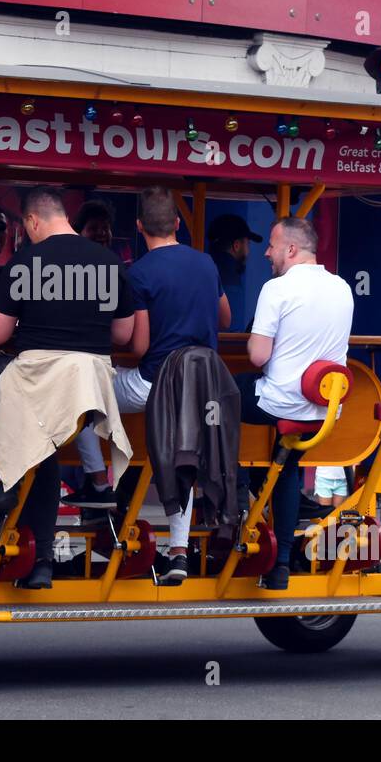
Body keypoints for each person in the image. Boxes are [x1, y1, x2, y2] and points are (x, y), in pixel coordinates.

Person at [0, 186, 134, 590]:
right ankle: (42, 561)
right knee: (44, 450)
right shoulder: (109, 261)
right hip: (87, 395)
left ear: (32, 222)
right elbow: (125, 333)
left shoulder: (25, 261)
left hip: (32, 383)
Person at [68, 187, 230, 584]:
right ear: (177, 223)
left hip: (153, 386)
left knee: (80, 392)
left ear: (139, 227)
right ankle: (178, 550)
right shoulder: (206, 263)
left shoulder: (138, 273)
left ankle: (100, 481)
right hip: (201, 389)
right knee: (183, 457)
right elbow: (224, 319)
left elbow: (137, 345)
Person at [235, 217, 353, 591]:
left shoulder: (277, 288)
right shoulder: (341, 287)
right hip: (324, 409)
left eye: (271, 245)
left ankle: (234, 489)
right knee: (285, 469)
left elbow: (256, 355)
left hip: (279, 404)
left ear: (290, 249)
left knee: (211, 395)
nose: (266, 252)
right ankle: (280, 563)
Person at [207, 214, 262, 333]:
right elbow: (231, 330)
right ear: (236, 246)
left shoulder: (205, 269)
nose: (248, 251)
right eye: (248, 244)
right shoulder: (229, 276)